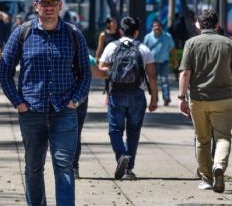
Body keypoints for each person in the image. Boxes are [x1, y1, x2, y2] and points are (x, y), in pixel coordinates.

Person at [0, 0, 91, 205]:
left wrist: (74, 101)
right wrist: (18, 102)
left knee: (64, 164)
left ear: (59, 6)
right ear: (36, 6)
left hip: (64, 111)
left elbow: (85, 74)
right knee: (33, 167)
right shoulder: (22, 33)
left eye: (53, 3)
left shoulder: (73, 34)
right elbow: (5, 71)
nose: (49, 8)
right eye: (44, 3)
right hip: (31, 111)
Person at [178, 9, 232, 193]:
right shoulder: (228, 44)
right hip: (224, 98)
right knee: (223, 137)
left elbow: (185, 72)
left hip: (198, 99)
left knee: (202, 139)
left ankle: (207, 179)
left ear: (199, 26)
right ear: (217, 25)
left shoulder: (191, 43)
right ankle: (219, 165)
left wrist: (181, 97)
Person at [99, 16, 158, 180]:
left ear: (121, 31)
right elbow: (152, 76)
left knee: (114, 130)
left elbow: (102, 68)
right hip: (137, 95)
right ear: (137, 32)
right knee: (133, 132)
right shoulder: (144, 49)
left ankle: (121, 155)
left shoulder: (112, 46)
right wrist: (154, 98)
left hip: (116, 94)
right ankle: (128, 169)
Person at [73, 54, 108, 179]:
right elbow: (100, 74)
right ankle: (73, 168)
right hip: (79, 99)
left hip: (57, 97)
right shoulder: (86, 56)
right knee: (75, 133)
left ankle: (61, 166)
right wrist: (109, 71)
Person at [143, 20, 178, 106]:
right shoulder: (148, 37)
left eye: (159, 26)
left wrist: (175, 60)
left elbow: (172, 49)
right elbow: (143, 50)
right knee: (153, 81)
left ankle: (166, 98)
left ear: (162, 27)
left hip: (164, 62)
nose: (157, 28)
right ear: (152, 28)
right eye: (155, 26)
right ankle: (155, 98)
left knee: (164, 80)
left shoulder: (167, 36)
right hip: (152, 63)